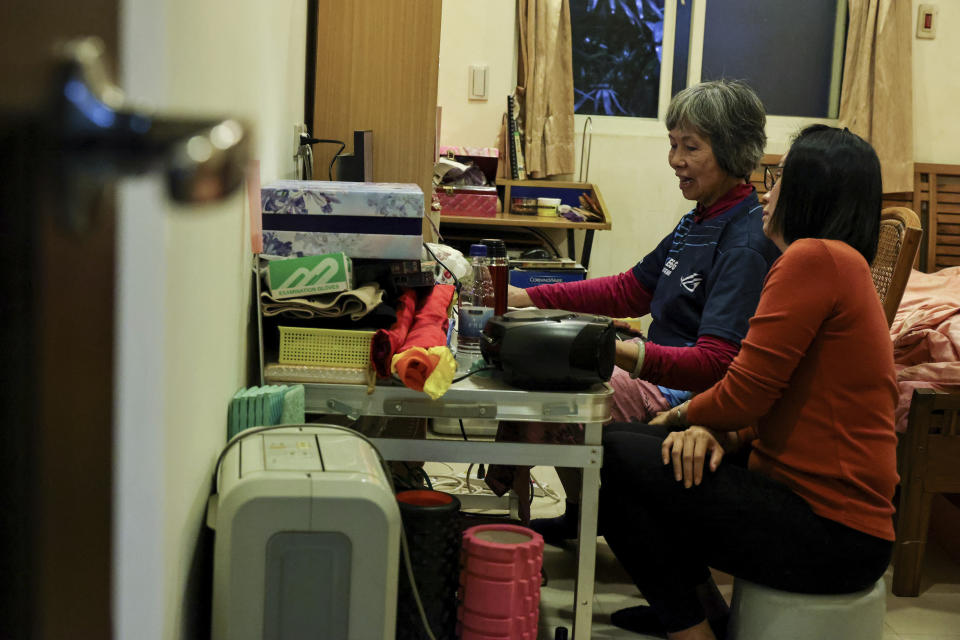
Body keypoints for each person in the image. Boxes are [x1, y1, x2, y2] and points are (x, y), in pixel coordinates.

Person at [599, 125, 898, 640]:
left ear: (809, 189)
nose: (767, 191)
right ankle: (700, 616)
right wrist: (720, 433)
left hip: (833, 530)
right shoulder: (834, 262)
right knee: (633, 452)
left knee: (621, 455)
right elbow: (780, 401)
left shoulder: (814, 259)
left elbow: (745, 392)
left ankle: (690, 625)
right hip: (830, 518)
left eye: (779, 177)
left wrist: (681, 416)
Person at [486, 79, 780, 532]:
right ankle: (577, 514)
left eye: (691, 147)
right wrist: (528, 298)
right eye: (673, 144)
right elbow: (629, 289)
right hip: (659, 370)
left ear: (731, 150)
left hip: (683, 392)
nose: (675, 160)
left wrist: (617, 351)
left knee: (552, 385)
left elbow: (716, 364)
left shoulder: (743, 243)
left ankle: (576, 520)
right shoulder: (698, 219)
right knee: (536, 361)